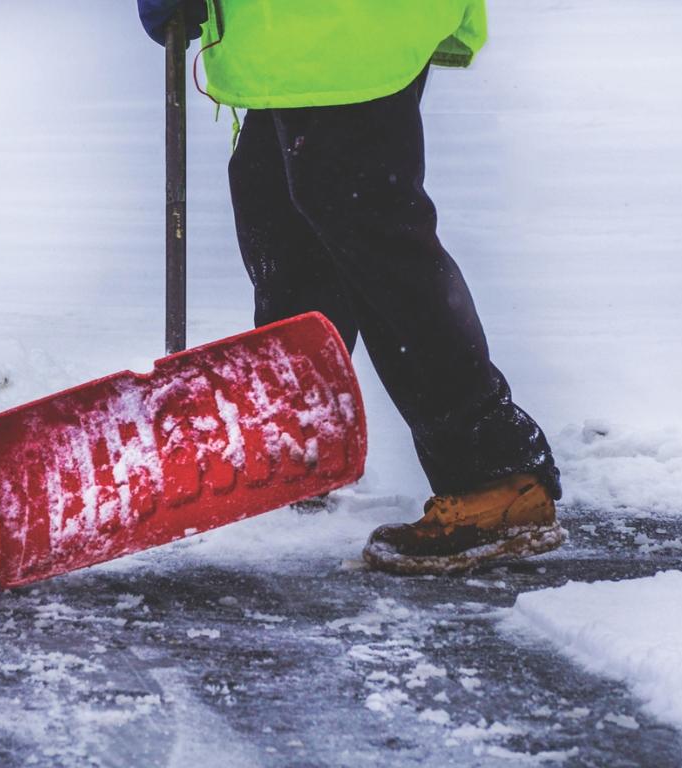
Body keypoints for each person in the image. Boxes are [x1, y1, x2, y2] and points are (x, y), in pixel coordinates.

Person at [137, 0, 564, 574]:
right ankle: (299, 442)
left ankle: (495, 475)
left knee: (370, 226)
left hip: (342, 24)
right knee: (284, 213)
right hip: (299, 30)